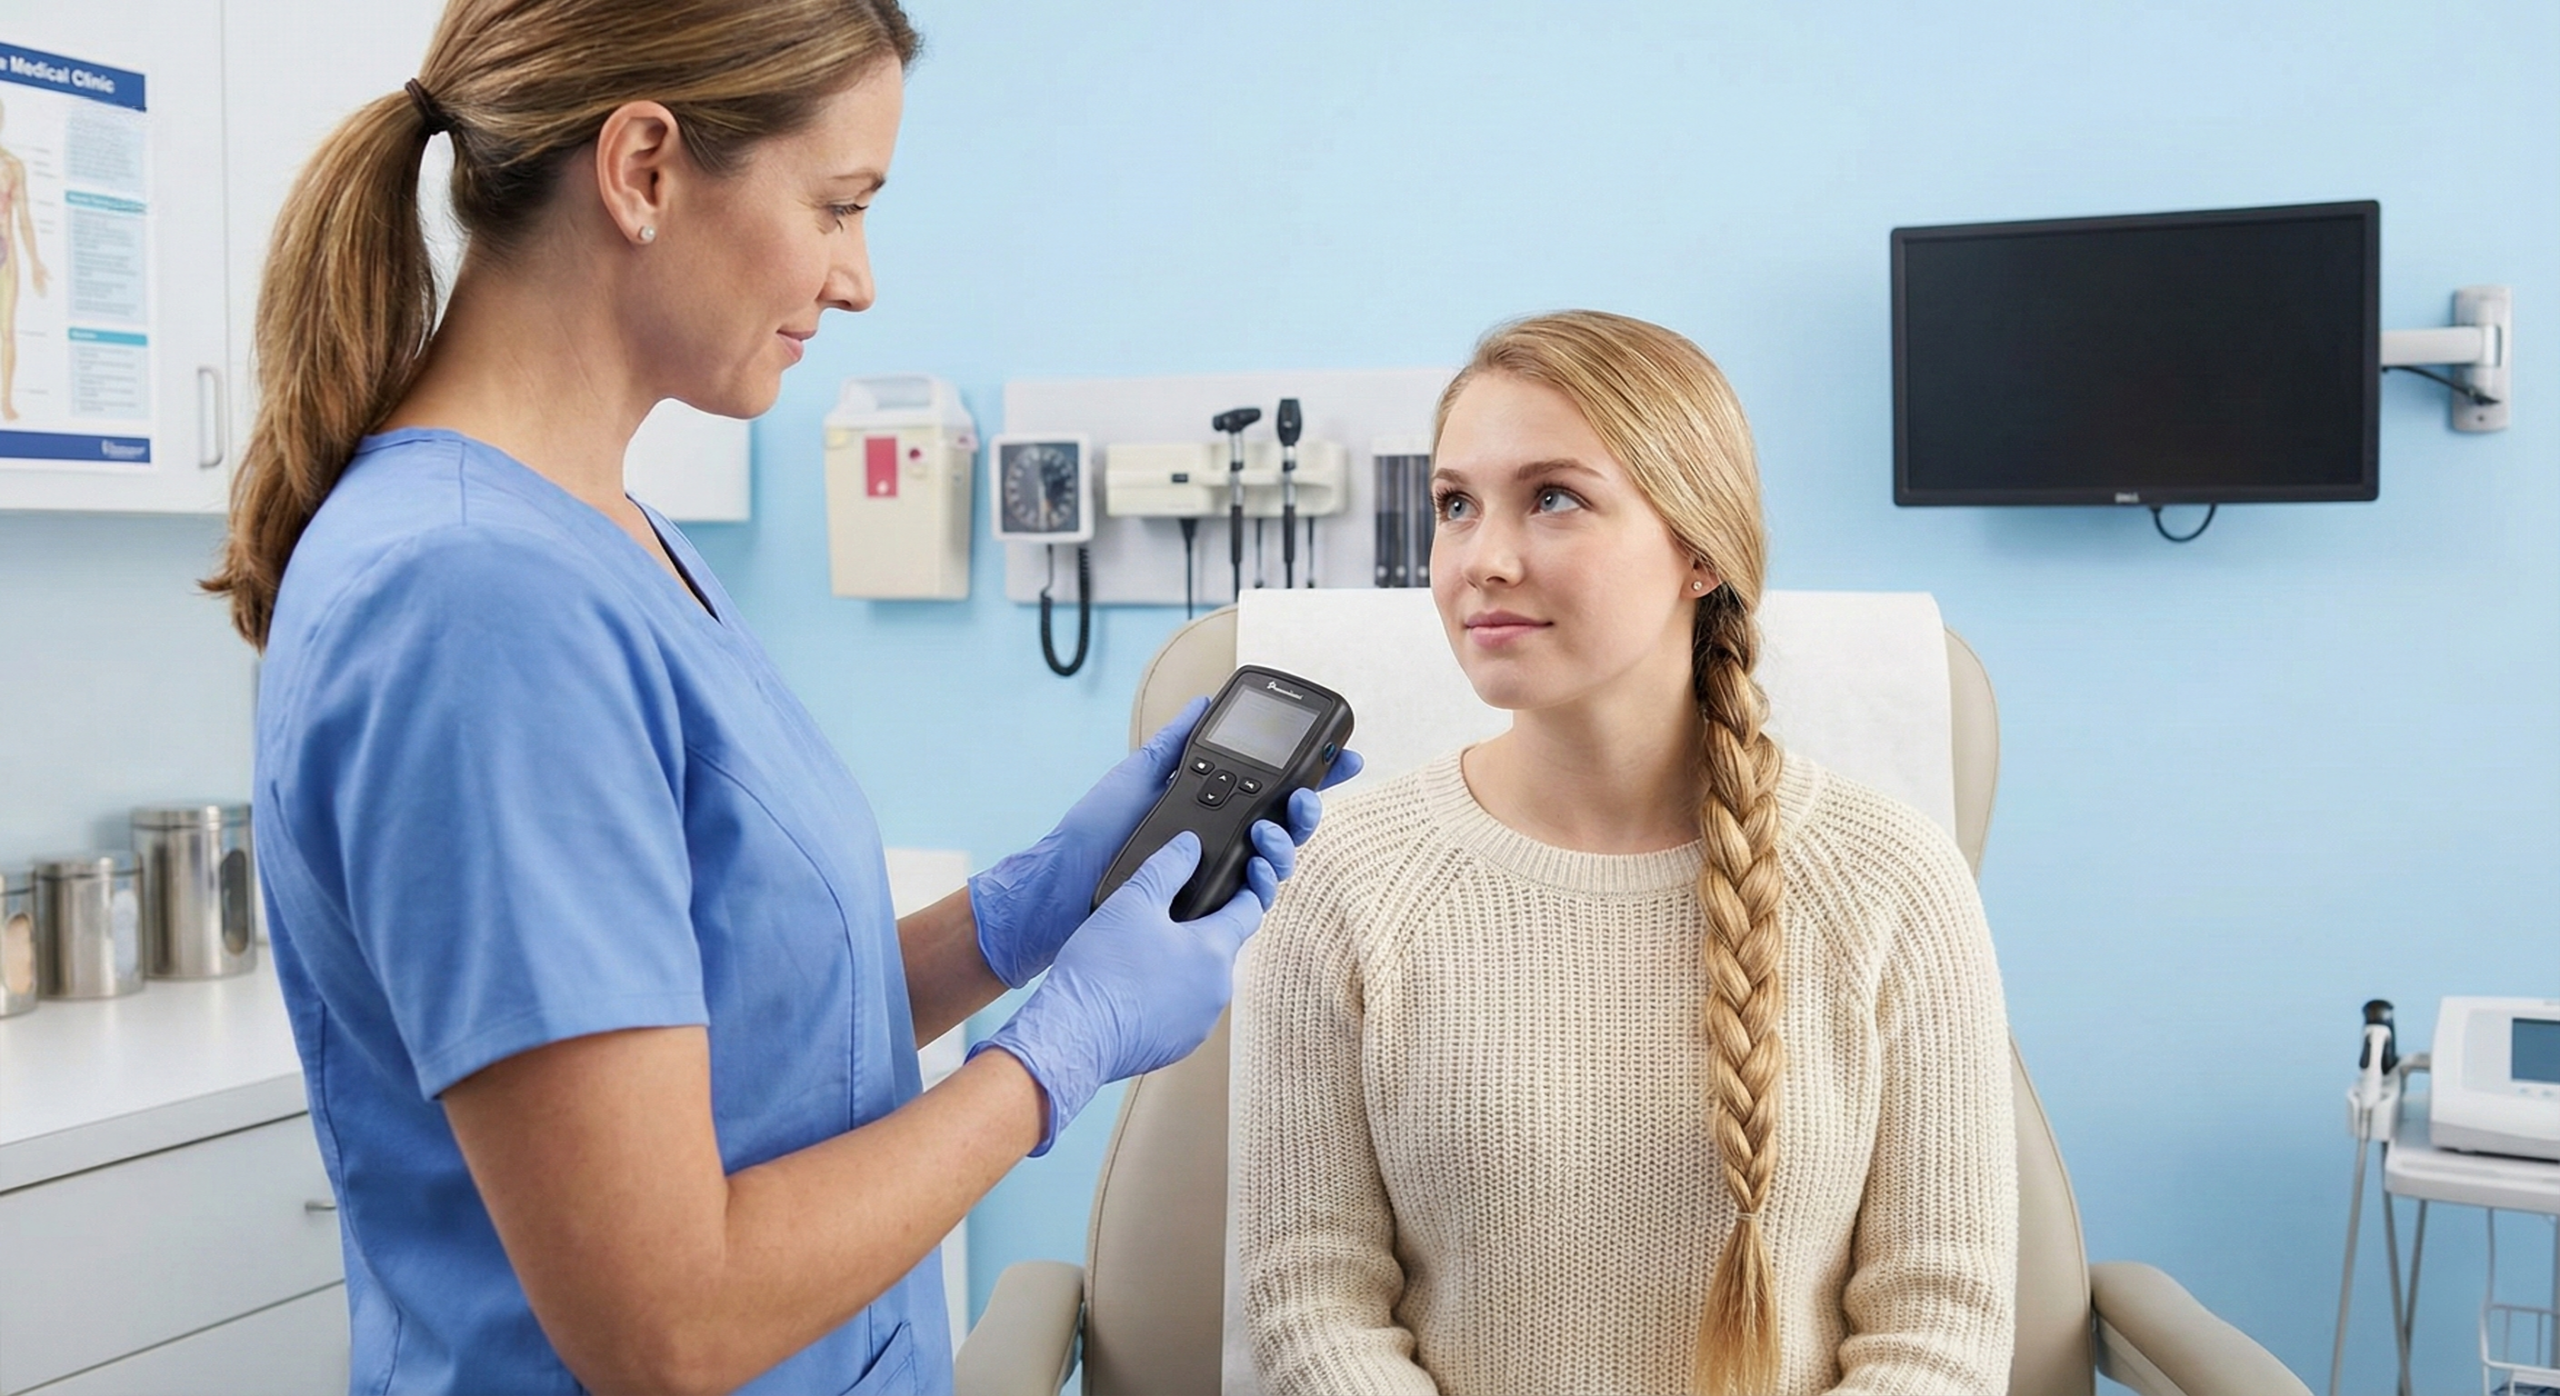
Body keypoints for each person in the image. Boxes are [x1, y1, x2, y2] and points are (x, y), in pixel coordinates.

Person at [205, 3, 1351, 1392]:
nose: (859, 277)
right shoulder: (475, 603)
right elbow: (668, 1324)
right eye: (837, 206)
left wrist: (1026, 912)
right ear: (643, 170)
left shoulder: (604, 535)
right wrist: (1056, 1058)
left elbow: (748, 1042)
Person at [1235, 311, 2016, 1395]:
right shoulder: (1342, 877)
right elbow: (1312, 1299)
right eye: (1454, 504)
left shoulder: (1894, 883)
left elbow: (1938, 1325)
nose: (1481, 559)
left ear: (1699, 551)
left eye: (1552, 497)